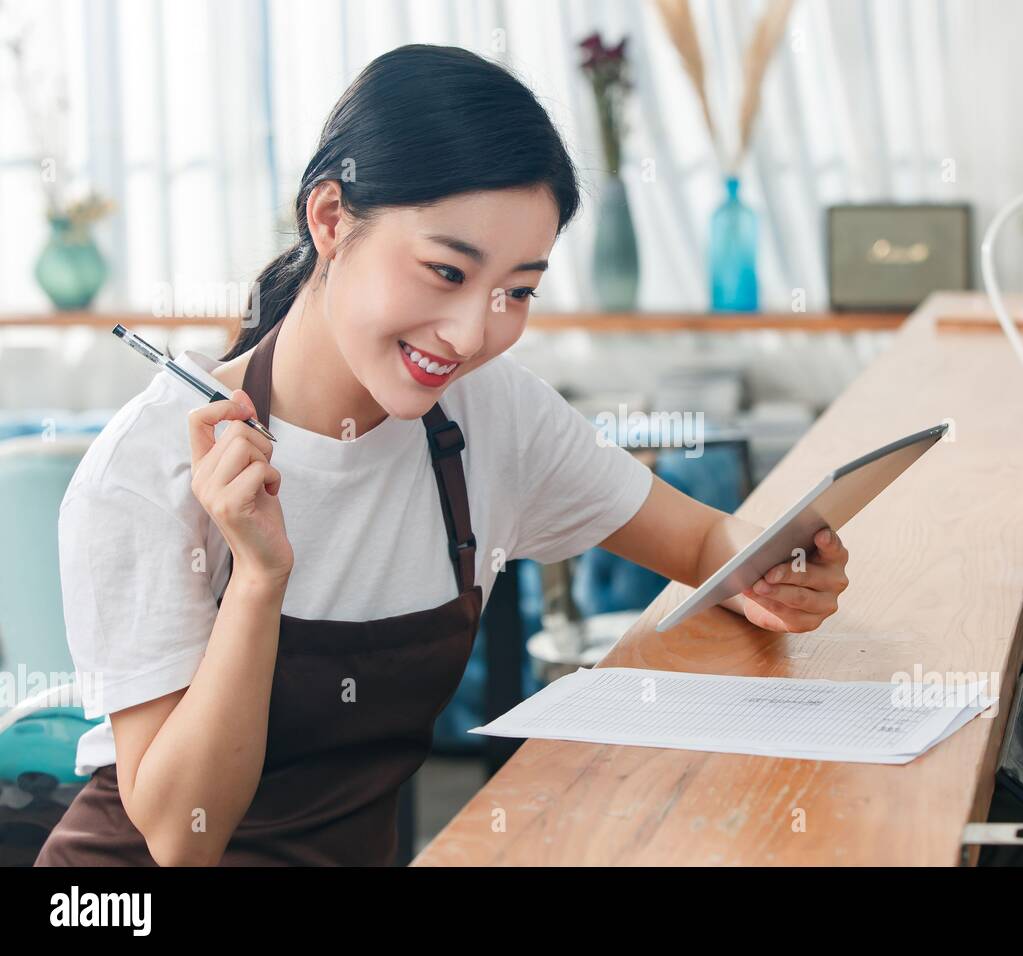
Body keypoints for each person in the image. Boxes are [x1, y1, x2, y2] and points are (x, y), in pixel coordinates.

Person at [35, 44, 849, 867]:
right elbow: (180, 835)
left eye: (517, 291)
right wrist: (257, 579)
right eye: (444, 271)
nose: (470, 333)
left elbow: (706, 545)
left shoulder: (493, 414)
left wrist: (774, 575)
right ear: (328, 220)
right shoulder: (145, 473)